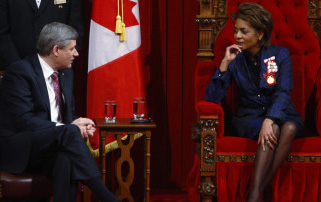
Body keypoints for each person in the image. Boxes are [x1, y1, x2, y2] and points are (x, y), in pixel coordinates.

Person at [0, 22, 118, 202]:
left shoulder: (65, 74)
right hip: (23, 147)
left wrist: (78, 125)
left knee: (65, 161)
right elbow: (24, 121)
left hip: (53, 147)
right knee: (69, 133)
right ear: (56, 50)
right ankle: (106, 196)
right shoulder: (20, 72)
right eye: (72, 49)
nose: (76, 54)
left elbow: (67, 117)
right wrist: (68, 128)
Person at [205, 3, 303, 202]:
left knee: (291, 127)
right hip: (250, 118)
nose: (238, 36)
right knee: (275, 129)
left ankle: (254, 193)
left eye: (244, 31)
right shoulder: (235, 58)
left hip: (282, 113)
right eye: (236, 31)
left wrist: (270, 118)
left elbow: (283, 92)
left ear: (260, 33)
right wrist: (224, 64)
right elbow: (212, 97)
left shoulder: (280, 54)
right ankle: (256, 195)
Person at [0, 0, 83, 70]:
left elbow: (75, 32)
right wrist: (17, 66)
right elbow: (2, 33)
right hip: (17, 68)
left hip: (58, 70)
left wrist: (59, 63)